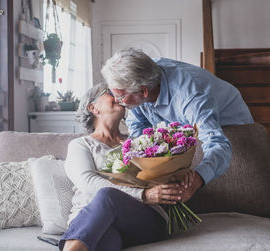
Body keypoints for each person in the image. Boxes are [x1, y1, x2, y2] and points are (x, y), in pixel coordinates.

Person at [101, 48, 254, 202]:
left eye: (120, 97)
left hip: (229, 125)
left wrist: (198, 178)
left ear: (144, 91)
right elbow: (137, 127)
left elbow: (218, 143)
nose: (118, 102)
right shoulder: (142, 78)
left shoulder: (190, 96)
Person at [60, 83, 183, 251]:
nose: (119, 95)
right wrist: (143, 194)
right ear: (93, 107)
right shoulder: (81, 145)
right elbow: (87, 183)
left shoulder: (141, 142)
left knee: (106, 195)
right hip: (93, 223)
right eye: (111, 92)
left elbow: (161, 174)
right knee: (105, 240)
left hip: (143, 220)